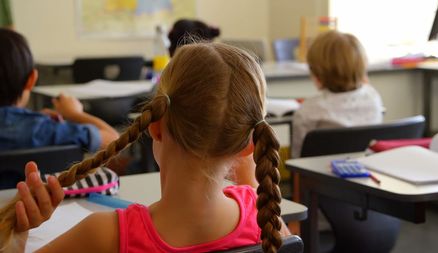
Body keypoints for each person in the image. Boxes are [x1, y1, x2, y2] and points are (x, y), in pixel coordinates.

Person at [0, 42, 290, 253]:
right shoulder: (265, 219)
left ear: (155, 125)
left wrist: (18, 238)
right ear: (248, 146)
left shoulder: (105, 236)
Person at [0, 28, 119, 152]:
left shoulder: (40, 125)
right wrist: (75, 114)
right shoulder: (43, 129)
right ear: (32, 79)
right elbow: (114, 141)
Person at [291, 30, 384, 158]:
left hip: (317, 176)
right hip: (365, 172)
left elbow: (297, 157)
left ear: (317, 74)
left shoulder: (308, 110)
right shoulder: (373, 97)